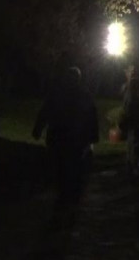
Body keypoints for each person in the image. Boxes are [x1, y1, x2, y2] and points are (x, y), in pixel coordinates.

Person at [33, 66, 100, 223]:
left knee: (63, 169)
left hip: (63, 139)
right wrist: (92, 136)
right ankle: (68, 200)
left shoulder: (60, 94)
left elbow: (45, 111)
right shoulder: (82, 95)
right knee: (70, 170)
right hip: (72, 140)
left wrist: (38, 129)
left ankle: (64, 199)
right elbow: (92, 117)